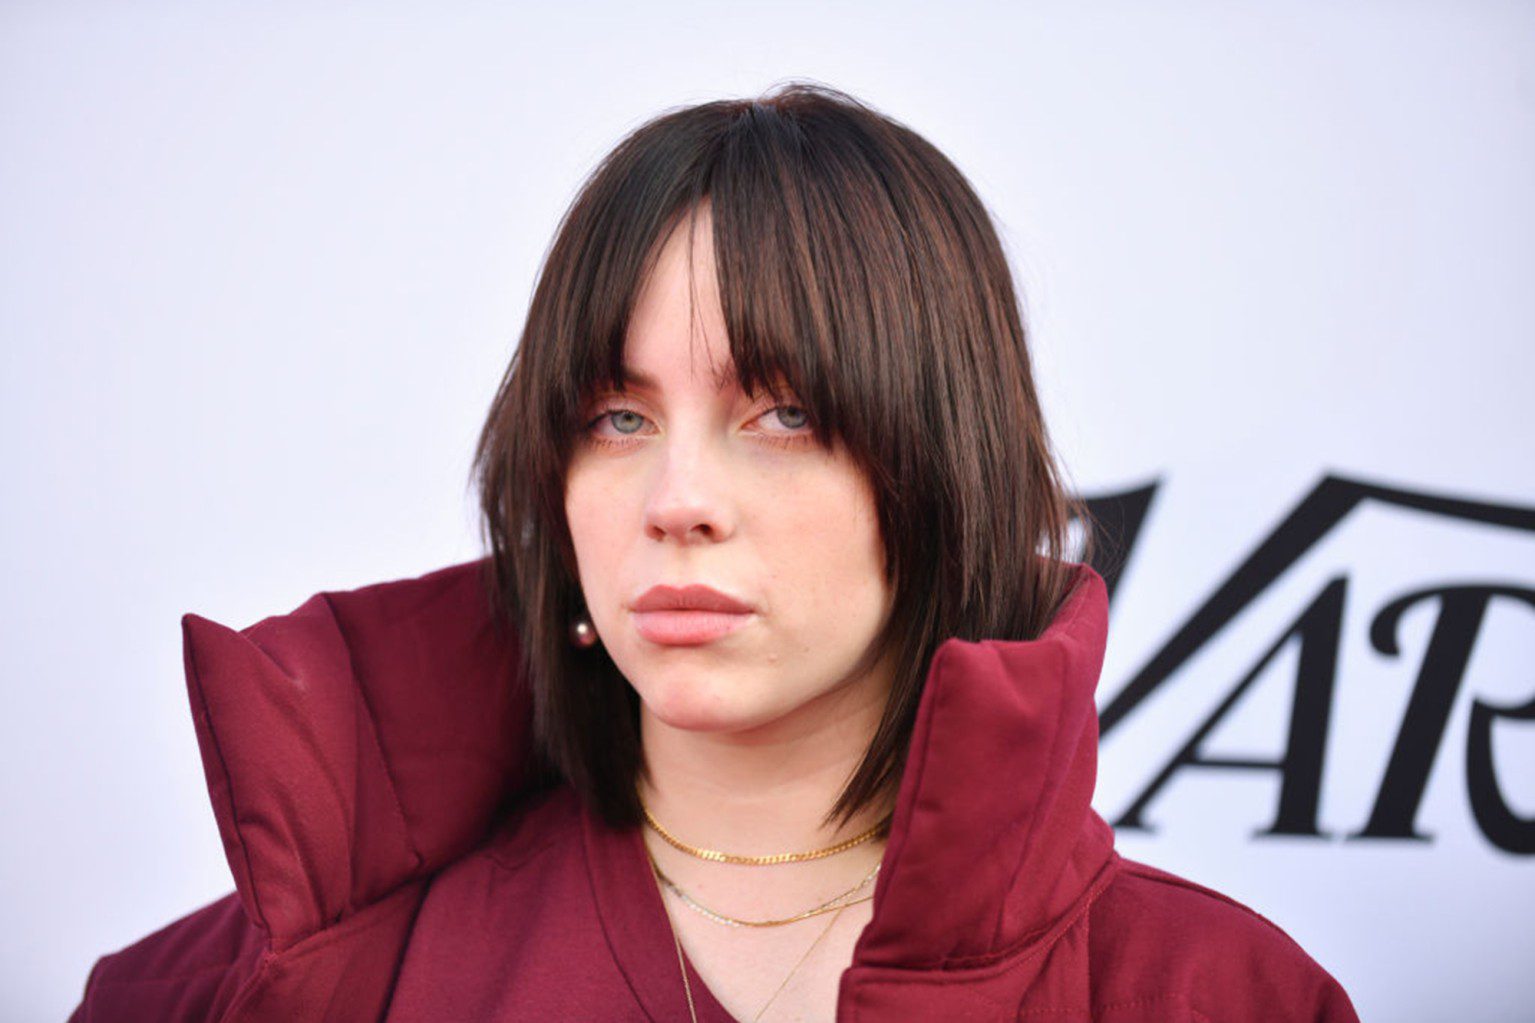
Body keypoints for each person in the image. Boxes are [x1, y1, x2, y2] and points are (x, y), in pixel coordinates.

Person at [71, 83, 1359, 1022]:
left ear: (941, 465)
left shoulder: (1218, 995)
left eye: (784, 414)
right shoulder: (241, 989)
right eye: (616, 419)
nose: (677, 501)